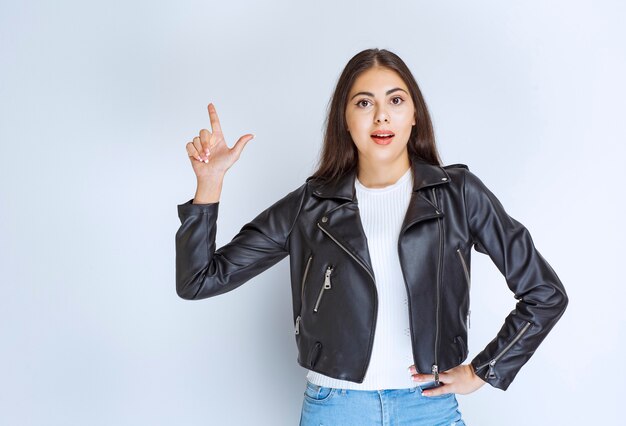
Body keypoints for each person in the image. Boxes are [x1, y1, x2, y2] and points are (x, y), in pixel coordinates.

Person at [175, 48, 568, 426]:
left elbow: (544, 293)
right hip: (335, 409)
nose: (382, 116)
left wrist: (484, 371)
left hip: (427, 408)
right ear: (345, 119)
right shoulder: (310, 206)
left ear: (414, 114)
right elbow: (199, 281)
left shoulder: (459, 194)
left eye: (395, 101)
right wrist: (209, 184)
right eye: (364, 103)